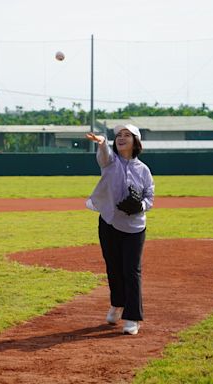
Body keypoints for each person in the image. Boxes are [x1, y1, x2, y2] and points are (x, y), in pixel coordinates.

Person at [85, 124, 154, 335]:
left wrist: (140, 206)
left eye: (127, 135)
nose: (121, 138)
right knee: (113, 268)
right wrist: (102, 142)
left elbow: (149, 197)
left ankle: (132, 317)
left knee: (131, 271)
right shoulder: (110, 162)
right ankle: (117, 304)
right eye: (119, 135)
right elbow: (103, 156)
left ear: (136, 141)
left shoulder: (143, 170)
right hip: (109, 222)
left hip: (134, 227)